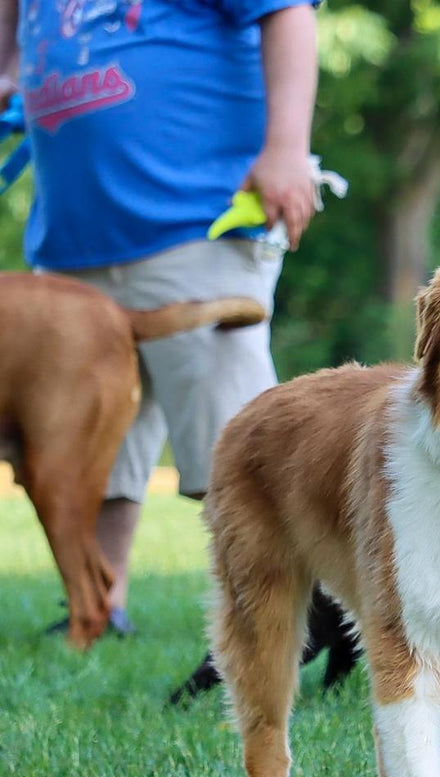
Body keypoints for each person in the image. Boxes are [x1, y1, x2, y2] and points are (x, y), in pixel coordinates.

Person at [0, 0, 320, 633]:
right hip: (74, 243)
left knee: (235, 445)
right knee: (88, 450)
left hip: (197, 226)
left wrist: (287, 149)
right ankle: (100, 605)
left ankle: (279, 619)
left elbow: (288, 13)